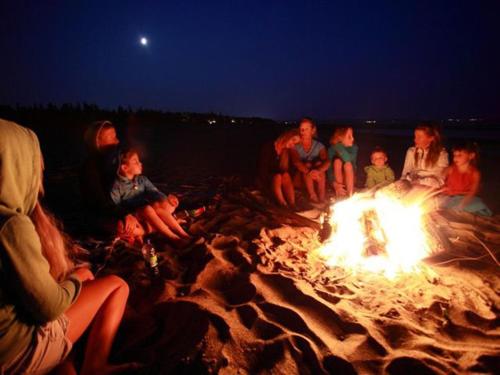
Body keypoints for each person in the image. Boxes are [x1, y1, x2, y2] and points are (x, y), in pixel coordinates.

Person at [0, 119, 136, 374]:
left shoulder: (109, 166)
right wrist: (75, 279)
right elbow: (48, 307)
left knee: (65, 364)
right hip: (13, 354)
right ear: (16, 165)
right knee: (117, 284)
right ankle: (96, 365)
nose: (117, 142)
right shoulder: (11, 225)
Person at [80, 121, 143, 241]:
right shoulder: (89, 168)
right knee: (122, 226)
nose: (117, 141)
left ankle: (141, 230)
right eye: (112, 138)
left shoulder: (114, 161)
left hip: (119, 208)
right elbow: (100, 202)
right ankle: (146, 230)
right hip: (101, 215)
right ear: (97, 142)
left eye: (116, 137)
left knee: (153, 208)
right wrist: (124, 214)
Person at [110, 148, 191, 242]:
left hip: (149, 215)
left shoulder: (142, 180)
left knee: (164, 206)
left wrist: (166, 199)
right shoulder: (117, 186)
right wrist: (126, 215)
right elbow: (114, 206)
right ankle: (173, 238)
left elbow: (154, 193)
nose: (140, 163)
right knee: (122, 227)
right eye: (135, 162)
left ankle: (184, 235)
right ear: (124, 168)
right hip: (133, 218)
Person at [440, 142, 492, 216]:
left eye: (459, 155)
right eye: (454, 155)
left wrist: (462, 204)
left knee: (478, 204)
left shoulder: (475, 173)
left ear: (471, 156)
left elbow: (472, 192)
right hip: (451, 197)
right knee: (441, 202)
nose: (455, 158)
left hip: (466, 198)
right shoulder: (450, 169)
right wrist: (443, 187)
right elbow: (440, 180)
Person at [257, 129, 300, 207]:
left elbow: (290, 170)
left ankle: (292, 203)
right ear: (287, 136)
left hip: (279, 180)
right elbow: (263, 169)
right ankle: (283, 204)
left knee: (286, 174)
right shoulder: (269, 146)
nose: (293, 144)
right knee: (278, 176)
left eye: (295, 143)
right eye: (293, 140)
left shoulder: (286, 152)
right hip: (267, 178)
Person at [290, 118, 329, 203]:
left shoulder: (319, 146)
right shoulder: (295, 146)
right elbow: (296, 162)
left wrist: (318, 170)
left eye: (306, 129)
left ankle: (321, 196)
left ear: (313, 130)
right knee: (307, 164)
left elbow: (327, 162)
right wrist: (309, 171)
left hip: (317, 177)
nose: (303, 132)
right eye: (301, 129)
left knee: (319, 163)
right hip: (300, 179)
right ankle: (313, 195)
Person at [401, 123, 449, 188]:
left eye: (419, 137)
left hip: (431, 188)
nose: (415, 140)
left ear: (431, 138)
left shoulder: (441, 154)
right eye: (415, 136)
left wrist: (420, 182)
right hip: (413, 185)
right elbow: (405, 173)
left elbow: (440, 179)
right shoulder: (411, 151)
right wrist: (404, 183)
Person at [327, 127, 358, 197]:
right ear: (340, 138)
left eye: (352, 136)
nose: (353, 139)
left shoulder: (354, 148)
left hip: (351, 179)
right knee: (337, 161)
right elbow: (329, 169)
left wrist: (338, 145)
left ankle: (350, 195)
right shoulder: (331, 149)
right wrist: (334, 183)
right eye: (349, 137)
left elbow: (347, 159)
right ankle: (341, 194)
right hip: (336, 181)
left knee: (348, 164)